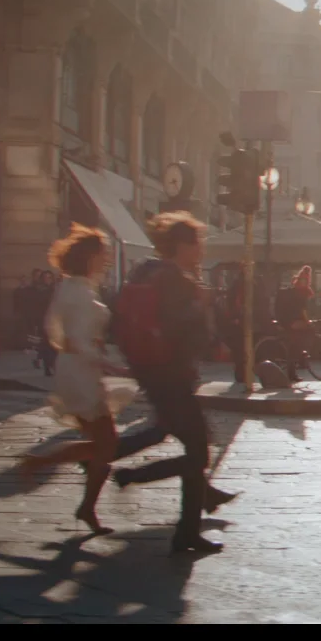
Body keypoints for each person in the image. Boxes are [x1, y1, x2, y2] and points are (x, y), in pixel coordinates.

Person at [106, 212, 232, 555]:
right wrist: (203, 312)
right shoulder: (177, 280)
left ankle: (188, 516)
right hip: (173, 377)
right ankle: (183, 528)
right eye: (198, 242)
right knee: (198, 454)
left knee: (189, 446)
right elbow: (183, 332)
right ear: (183, 245)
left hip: (154, 374)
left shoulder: (146, 271)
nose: (202, 249)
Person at [16, 227, 137, 535]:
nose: (108, 259)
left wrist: (81, 351)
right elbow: (77, 339)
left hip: (76, 368)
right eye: (104, 253)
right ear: (92, 256)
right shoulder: (80, 292)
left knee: (101, 445)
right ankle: (47, 471)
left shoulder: (72, 287)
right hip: (82, 372)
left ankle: (75, 496)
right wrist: (109, 364)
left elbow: (55, 330)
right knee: (106, 444)